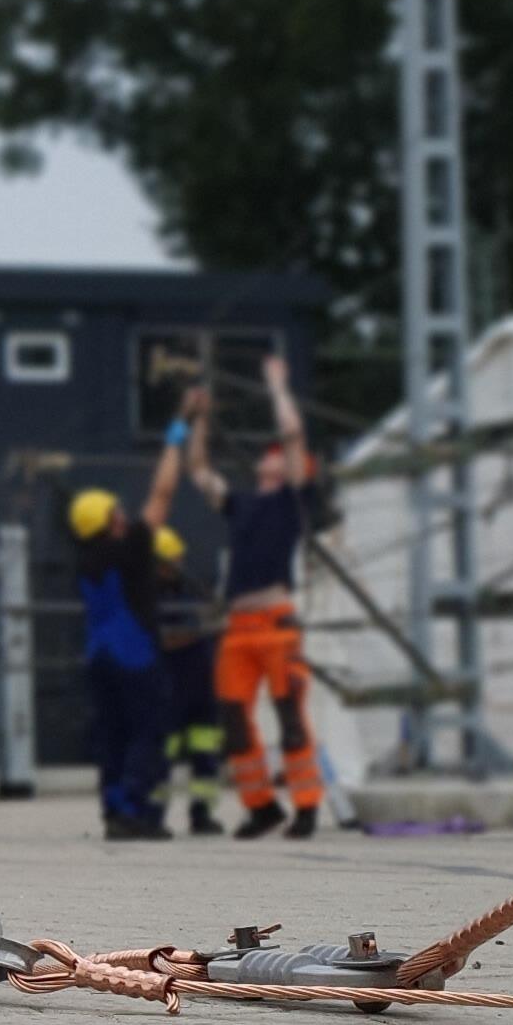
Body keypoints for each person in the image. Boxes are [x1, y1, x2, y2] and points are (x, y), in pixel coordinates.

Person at [179, 355, 323, 839]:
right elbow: (198, 469)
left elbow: (293, 435)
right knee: (235, 720)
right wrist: (197, 418)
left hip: (276, 619)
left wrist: (278, 385)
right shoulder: (242, 502)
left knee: (290, 717)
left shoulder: (292, 500)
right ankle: (262, 806)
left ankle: (306, 806)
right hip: (238, 627)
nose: (271, 454)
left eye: (277, 453)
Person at [68, 430, 184, 842]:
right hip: (134, 654)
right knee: (146, 734)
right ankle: (138, 812)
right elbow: (163, 494)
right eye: (117, 511)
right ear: (108, 519)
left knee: (112, 736)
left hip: (99, 655)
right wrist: (175, 439)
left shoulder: (85, 561)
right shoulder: (129, 547)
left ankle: (115, 809)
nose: (124, 514)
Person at [150, 523, 226, 836]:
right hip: (170, 688)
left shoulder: (190, 590)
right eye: (172, 560)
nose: (178, 565)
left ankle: (202, 813)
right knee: (162, 756)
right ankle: (153, 816)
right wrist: (202, 630)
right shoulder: (150, 597)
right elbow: (163, 638)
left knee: (206, 756)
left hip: (201, 688)